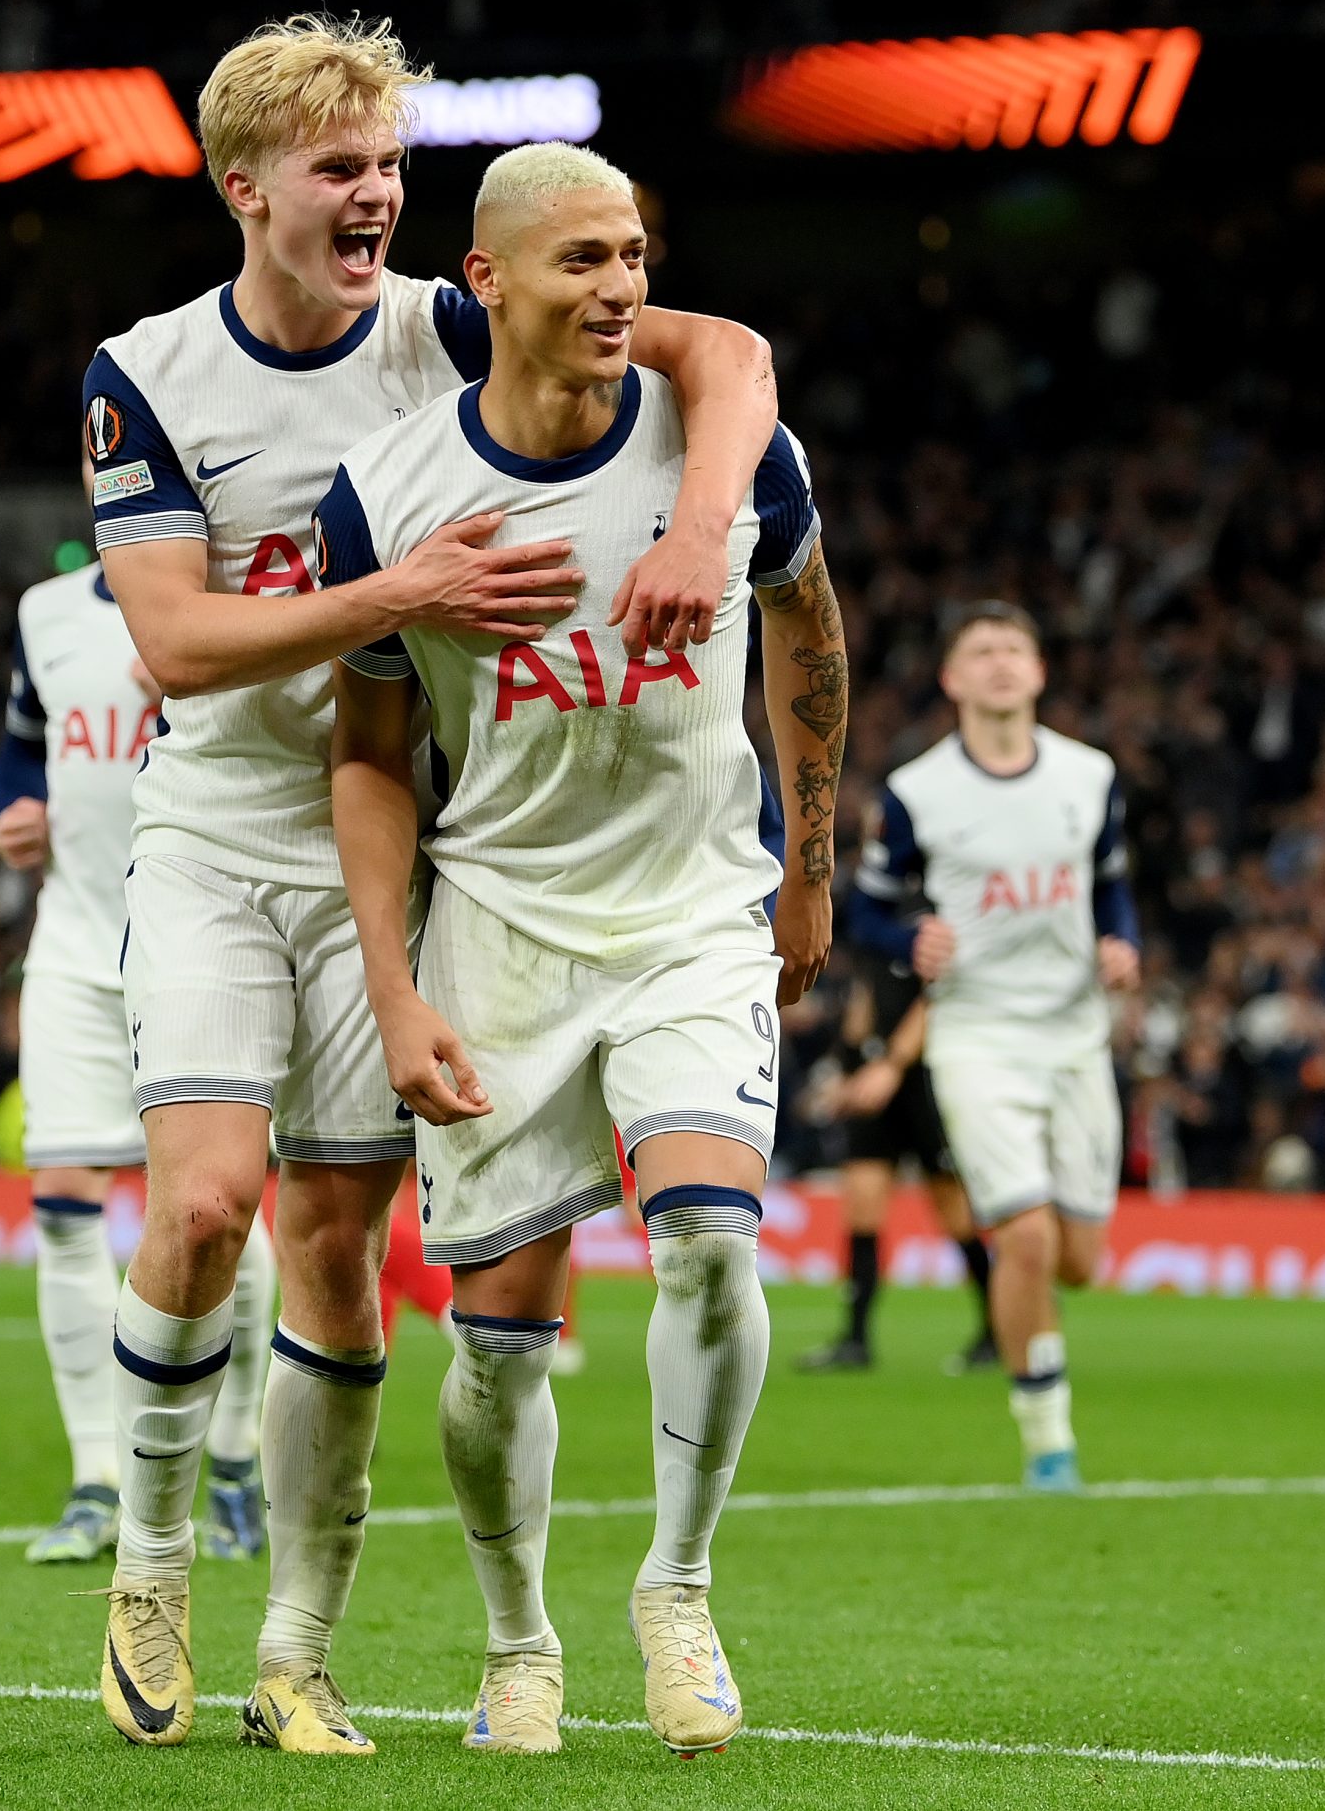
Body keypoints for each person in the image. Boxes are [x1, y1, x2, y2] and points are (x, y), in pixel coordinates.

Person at [84, 16, 778, 1755]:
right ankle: (152, 1555)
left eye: (389, 164)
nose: (374, 195)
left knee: (335, 1241)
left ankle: (295, 1647)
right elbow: (173, 645)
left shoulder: (449, 320)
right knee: (205, 1203)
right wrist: (395, 596)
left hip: (397, 841)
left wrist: (702, 519)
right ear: (247, 190)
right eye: (339, 168)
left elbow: (735, 355)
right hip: (225, 835)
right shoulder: (149, 369)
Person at [322, 140, 845, 1757]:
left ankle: (677, 1589)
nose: (620, 287)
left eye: (633, 254)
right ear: (487, 285)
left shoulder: (730, 447)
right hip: (502, 925)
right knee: (495, 1337)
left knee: (705, 1235)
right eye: (581, 261)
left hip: (693, 907)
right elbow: (366, 752)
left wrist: (809, 869)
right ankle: (514, 1637)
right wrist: (395, 988)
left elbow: (810, 630)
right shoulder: (393, 495)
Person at [0, 538, 276, 1568]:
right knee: (61, 1201)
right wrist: (9, 816)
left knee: (211, 1205)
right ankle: (94, 1478)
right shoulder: (47, 611)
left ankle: (236, 1459)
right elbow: (24, 748)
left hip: (195, 936)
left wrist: (194, 686)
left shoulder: (234, 603)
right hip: (70, 943)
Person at [849, 602, 1140, 1492]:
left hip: (1075, 1037)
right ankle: (1047, 1440)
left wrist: (1120, 943)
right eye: (981, 650)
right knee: (1023, 1235)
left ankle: (1041, 1386)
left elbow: (1112, 883)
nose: (1002, 662)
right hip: (974, 1036)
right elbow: (866, 905)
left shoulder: (1090, 777)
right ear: (953, 679)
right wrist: (910, 941)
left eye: (1017, 647)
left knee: (1078, 1260)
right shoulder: (917, 791)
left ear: (1041, 671)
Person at [802, 987, 996, 1372]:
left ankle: (998, 1330)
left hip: (924, 1079)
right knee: (861, 1205)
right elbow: (865, 989)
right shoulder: (867, 933)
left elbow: (939, 993)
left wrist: (892, 1063)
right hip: (872, 1073)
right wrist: (848, 1062)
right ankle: (856, 1339)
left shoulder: (931, 932)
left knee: (955, 1213)